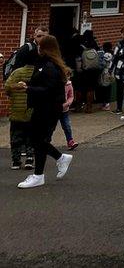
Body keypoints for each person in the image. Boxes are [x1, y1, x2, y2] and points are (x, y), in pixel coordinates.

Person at [17, 35, 73, 189]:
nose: (38, 48)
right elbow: (42, 84)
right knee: (38, 140)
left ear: (46, 48)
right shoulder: (44, 64)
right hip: (44, 108)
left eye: (40, 46)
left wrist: (28, 88)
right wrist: (28, 84)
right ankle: (53, 163)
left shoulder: (50, 66)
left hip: (48, 109)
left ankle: (42, 172)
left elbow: (48, 90)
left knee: (39, 140)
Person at [5, 61, 35, 170]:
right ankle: (29, 159)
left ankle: (16, 161)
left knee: (15, 138)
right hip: (31, 111)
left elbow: (7, 87)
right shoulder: (37, 73)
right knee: (30, 137)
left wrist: (15, 89)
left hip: (16, 111)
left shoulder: (16, 73)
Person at [74, 30, 100, 113]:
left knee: (79, 88)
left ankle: (78, 106)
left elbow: (77, 57)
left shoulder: (80, 45)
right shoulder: (94, 44)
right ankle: (89, 107)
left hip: (82, 70)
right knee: (91, 89)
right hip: (93, 70)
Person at [109, 27, 124, 114]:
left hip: (120, 69)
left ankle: (119, 108)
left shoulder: (120, 44)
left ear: (122, 33)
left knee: (119, 89)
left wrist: (110, 69)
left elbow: (115, 56)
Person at [59, 78, 77, 150]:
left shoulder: (69, 84)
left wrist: (67, 103)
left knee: (67, 126)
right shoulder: (54, 83)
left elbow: (71, 96)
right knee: (49, 128)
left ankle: (70, 141)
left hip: (64, 110)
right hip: (54, 109)